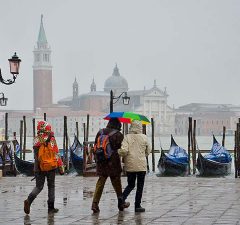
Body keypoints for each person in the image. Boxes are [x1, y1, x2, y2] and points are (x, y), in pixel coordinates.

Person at [24, 121, 64, 214]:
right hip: (50, 166)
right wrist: (61, 165)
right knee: (51, 186)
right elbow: (56, 153)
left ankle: (29, 201)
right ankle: (51, 208)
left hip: (38, 167)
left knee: (38, 187)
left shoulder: (36, 139)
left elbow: (36, 154)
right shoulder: (52, 139)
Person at [91, 118, 130, 213]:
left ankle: (95, 204)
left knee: (100, 183)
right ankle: (121, 203)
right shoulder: (118, 134)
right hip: (113, 162)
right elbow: (121, 148)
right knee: (117, 183)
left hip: (101, 161)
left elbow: (96, 144)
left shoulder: (100, 132)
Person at [118, 120, 151, 212]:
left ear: (131, 127)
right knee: (140, 186)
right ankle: (137, 206)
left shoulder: (127, 137)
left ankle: (122, 197)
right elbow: (149, 150)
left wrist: (118, 152)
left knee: (131, 185)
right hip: (141, 165)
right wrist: (143, 155)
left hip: (130, 165)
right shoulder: (144, 137)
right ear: (140, 127)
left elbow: (124, 151)